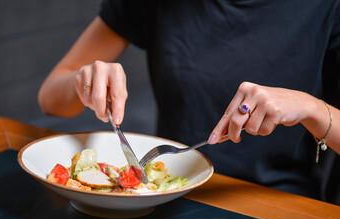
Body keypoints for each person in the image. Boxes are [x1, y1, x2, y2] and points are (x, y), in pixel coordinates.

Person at [38, 1, 340, 204]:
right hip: (169, 201)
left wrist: (310, 108)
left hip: (280, 208)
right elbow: (50, 99)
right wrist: (83, 80)